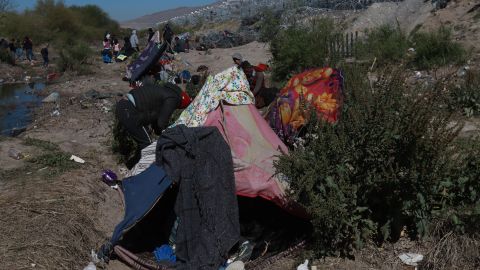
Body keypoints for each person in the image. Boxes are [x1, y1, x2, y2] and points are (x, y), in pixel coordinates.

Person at [115, 82, 185, 168]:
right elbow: (161, 122)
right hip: (128, 111)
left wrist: (159, 130)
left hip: (124, 106)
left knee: (142, 140)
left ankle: (132, 165)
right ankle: (141, 171)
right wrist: (166, 133)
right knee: (146, 144)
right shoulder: (172, 98)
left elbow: (156, 119)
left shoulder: (163, 90)